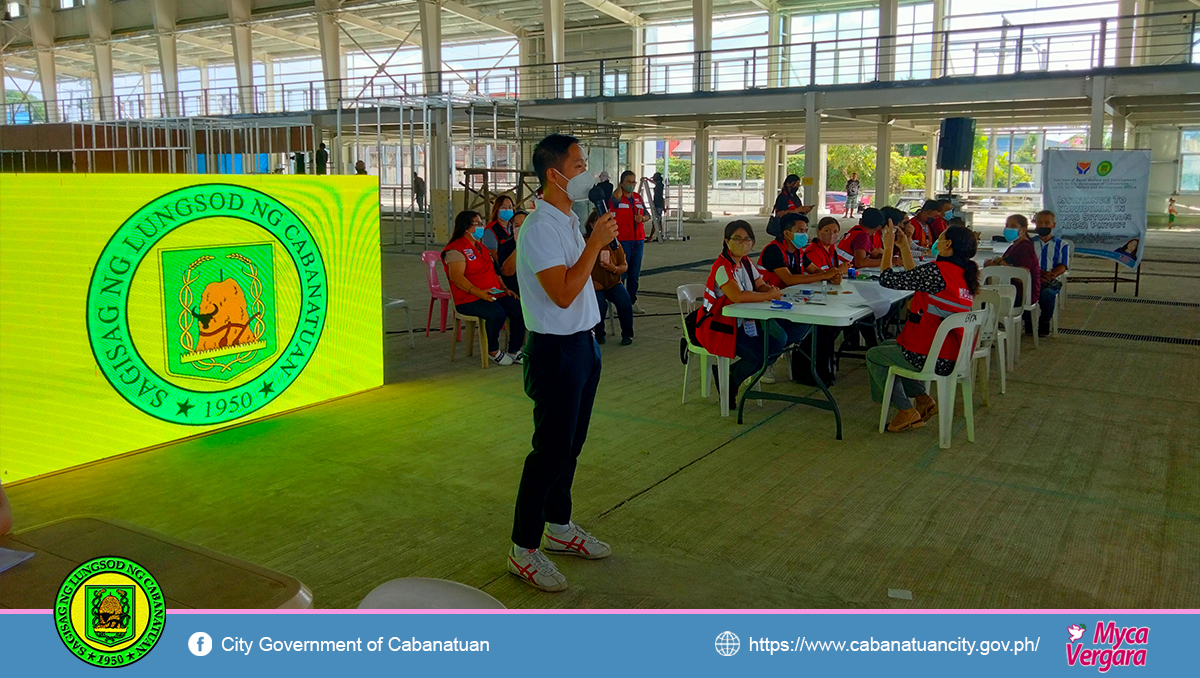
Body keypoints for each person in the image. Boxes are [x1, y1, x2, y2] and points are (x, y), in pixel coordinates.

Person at [509, 134, 618, 592]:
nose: (586, 172)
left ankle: (559, 525)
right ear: (554, 174)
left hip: (584, 345)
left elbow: (584, 279)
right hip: (555, 352)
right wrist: (595, 243)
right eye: (577, 165)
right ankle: (523, 548)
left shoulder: (569, 221)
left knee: (571, 445)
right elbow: (561, 292)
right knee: (549, 450)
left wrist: (604, 258)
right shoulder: (538, 229)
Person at [867, 224, 979, 432]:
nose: (936, 240)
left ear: (948, 245)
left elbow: (887, 279)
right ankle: (923, 399)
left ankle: (906, 410)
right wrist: (904, 247)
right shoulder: (962, 273)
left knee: (875, 355)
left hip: (932, 356)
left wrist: (889, 247)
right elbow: (917, 279)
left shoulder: (938, 271)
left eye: (941, 237)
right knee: (890, 345)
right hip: (953, 354)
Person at [693, 221, 787, 411]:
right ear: (727, 241)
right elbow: (737, 296)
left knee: (777, 343)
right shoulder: (722, 267)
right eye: (737, 238)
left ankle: (730, 375)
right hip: (721, 328)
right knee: (757, 357)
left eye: (747, 239)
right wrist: (769, 296)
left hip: (743, 324)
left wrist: (769, 289)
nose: (743, 242)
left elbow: (760, 285)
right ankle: (731, 381)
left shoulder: (745, 262)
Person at [442, 210, 525, 366]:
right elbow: (457, 277)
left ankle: (514, 349)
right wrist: (478, 292)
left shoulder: (481, 247)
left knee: (518, 308)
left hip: (493, 293)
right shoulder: (455, 249)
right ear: (466, 227)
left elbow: (495, 271)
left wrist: (505, 288)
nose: (482, 227)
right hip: (469, 298)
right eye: (478, 224)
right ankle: (492, 349)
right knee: (496, 313)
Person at [584, 211, 634, 346]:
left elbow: (624, 265)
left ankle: (628, 334)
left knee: (624, 302)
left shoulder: (614, 243)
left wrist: (614, 268)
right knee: (599, 305)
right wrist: (589, 282)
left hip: (613, 282)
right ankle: (599, 333)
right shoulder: (584, 242)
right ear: (591, 225)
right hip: (593, 284)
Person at [984, 214, 1040, 318]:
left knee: (979, 298)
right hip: (1012, 290)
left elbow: (1021, 276)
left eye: (1013, 226)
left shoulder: (1025, 247)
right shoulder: (1015, 246)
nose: (1008, 228)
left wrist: (1000, 262)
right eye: (1007, 225)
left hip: (1022, 293)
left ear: (1023, 230)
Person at [613, 170, 651, 315]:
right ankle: (620, 302)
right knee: (621, 273)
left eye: (633, 182)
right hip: (623, 240)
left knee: (634, 274)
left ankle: (632, 301)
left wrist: (643, 219)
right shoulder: (616, 198)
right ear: (622, 183)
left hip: (638, 240)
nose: (631, 185)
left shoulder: (637, 198)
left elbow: (647, 215)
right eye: (628, 182)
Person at [1031, 209, 1069, 338]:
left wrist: (1050, 276)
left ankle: (1044, 321)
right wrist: (1038, 276)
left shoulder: (1062, 244)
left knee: (1047, 293)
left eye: (1047, 223)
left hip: (1050, 279)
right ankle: (1028, 321)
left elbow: (1063, 266)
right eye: (1040, 222)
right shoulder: (1029, 243)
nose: (1043, 225)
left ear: (1054, 225)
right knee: (1019, 293)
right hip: (1032, 278)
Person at [498, 210, 527, 295]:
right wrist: (519, 246)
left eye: (524, 224)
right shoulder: (506, 246)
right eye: (517, 226)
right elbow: (507, 272)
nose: (521, 228)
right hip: (517, 291)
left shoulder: (539, 242)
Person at [482, 194, 517, 263]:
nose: (508, 210)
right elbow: (494, 256)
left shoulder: (514, 227)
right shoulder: (490, 230)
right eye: (504, 207)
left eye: (510, 207)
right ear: (497, 210)